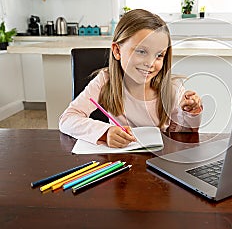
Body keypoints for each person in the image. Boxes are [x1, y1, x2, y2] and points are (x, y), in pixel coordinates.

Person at [59, 9, 202, 148]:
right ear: (117, 51)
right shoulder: (105, 80)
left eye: (159, 55)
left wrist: (191, 113)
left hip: (159, 163)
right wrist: (105, 132)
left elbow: (184, 135)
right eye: (141, 51)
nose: (150, 63)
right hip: (120, 162)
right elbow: (67, 119)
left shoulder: (173, 89)